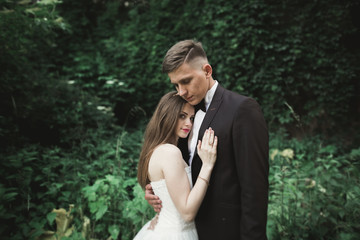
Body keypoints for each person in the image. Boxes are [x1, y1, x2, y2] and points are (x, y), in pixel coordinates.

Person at [145, 40, 269, 240]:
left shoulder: (242, 109)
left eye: (186, 81)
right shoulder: (183, 114)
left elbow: (255, 189)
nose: (181, 92)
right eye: (176, 85)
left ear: (207, 70)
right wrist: (160, 192)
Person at [134, 91, 218, 240]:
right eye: (182, 116)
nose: (189, 124)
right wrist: (207, 165)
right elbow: (187, 213)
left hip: (164, 228)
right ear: (167, 115)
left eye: (191, 118)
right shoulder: (170, 152)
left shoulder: (157, 149)